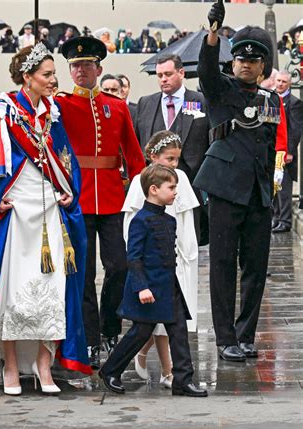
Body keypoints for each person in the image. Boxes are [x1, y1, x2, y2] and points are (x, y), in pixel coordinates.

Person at [0, 43, 92, 395]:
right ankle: (11, 366)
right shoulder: (3, 111)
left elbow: (65, 157)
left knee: (52, 289)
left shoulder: (53, 112)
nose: (54, 80)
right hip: (16, 211)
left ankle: (44, 365)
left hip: (49, 208)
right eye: (47, 74)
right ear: (27, 77)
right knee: (12, 291)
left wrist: (71, 190)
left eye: (54, 74)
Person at [194, 2, 287, 362]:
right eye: (240, 59)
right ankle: (224, 338)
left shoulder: (270, 99)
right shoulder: (220, 89)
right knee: (221, 265)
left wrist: (271, 187)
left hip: (258, 192)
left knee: (255, 268)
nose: (246, 65)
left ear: (263, 66)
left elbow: (269, 146)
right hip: (225, 189)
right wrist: (214, 33)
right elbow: (205, 70)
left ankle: (246, 334)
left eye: (253, 60)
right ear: (232, 63)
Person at [56, 36, 145, 368]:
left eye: (86, 65)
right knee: (82, 275)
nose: (81, 71)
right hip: (76, 198)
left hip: (111, 198)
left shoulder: (117, 106)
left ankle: (110, 328)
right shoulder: (60, 104)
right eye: (75, 66)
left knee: (119, 267)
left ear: (99, 68)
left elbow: (133, 155)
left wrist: (141, 192)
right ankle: (90, 339)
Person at [98, 165, 207, 398]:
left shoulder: (169, 220)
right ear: (154, 189)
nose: (176, 192)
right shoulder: (140, 220)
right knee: (140, 332)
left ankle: (183, 380)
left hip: (169, 286)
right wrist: (142, 287)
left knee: (179, 332)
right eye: (172, 187)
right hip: (148, 288)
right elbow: (134, 257)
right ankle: (110, 370)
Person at [123, 131, 199, 386]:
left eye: (177, 159)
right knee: (154, 317)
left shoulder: (183, 179)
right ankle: (167, 371)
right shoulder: (140, 181)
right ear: (153, 156)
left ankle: (167, 368)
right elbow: (131, 223)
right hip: (153, 260)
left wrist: (189, 251)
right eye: (169, 159)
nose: (174, 165)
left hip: (177, 256)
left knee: (174, 319)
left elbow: (187, 217)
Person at [134, 54, 209, 245]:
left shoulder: (201, 101)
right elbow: (137, 141)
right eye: (159, 75)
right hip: (154, 188)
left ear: (181, 72)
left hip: (192, 184)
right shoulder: (146, 103)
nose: (163, 79)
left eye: (168, 74)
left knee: (189, 241)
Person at [272, 70, 303, 233]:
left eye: (283, 82)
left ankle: (285, 220)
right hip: (273, 150)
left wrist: (290, 151)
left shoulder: (294, 102)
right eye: (278, 81)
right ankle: (276, 217)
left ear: (289, 83)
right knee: (275, 187)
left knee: (284, 188)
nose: (280, 84)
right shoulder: (271, 99)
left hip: (285, 153)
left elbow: (295, 129)